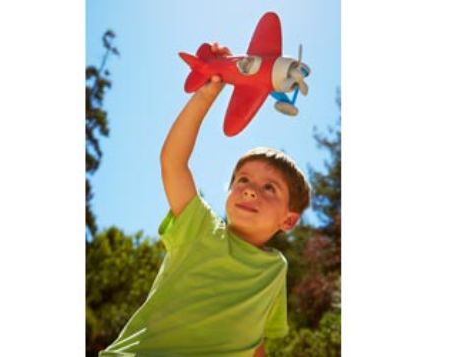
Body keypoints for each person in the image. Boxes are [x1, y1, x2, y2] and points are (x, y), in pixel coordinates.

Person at [99, 43, 311, 357]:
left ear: (289, 220)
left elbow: (256, 340)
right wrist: (206, 95)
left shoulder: (276, 268)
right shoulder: (200, 227)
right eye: (243, 180)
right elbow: (174, 162)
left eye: (270, 188)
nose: (250, 190)